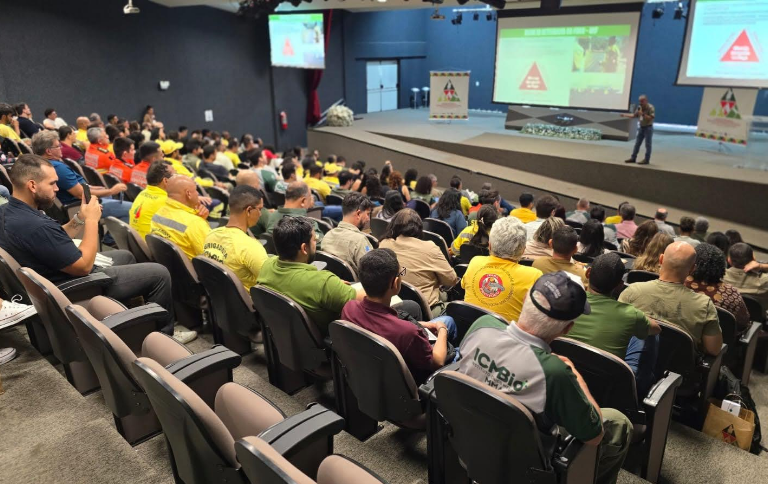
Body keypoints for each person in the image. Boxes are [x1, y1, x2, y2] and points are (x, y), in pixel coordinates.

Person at [458, 272, 632, 484]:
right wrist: (575, 375)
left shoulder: (482, 325)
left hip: (466, 443)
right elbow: (595, 436)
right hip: (524, 470)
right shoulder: (554, 372)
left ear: (525, 300)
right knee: (618, 422)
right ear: (567, 329)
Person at [0, 154, 190, 341]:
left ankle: (129, 325)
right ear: (32, 185)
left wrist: (80, 218)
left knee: (125, 256)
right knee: (159, 273)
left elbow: (54, 239)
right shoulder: (35, 225)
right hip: (72, 288)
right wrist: (91, 220)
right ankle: (163, 338)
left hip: (53, 275)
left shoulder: (10, 212)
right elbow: (83, 266)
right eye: (52, 184)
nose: (57, 188)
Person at [342, 249, 460, 384]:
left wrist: (422, 325)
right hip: (418, 378)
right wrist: (442, 330)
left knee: (447, 319)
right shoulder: (408, 333)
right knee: (459, 348)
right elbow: (438, 361)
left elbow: (383, 323)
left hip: (376, 372)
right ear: (395, 283)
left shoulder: (349, 308)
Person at [568, 253, 661, 396]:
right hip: (605, 387)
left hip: (568, 375)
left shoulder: (567, 299)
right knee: (648, 335)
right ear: (619, 286)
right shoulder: (631, 314)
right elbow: (656, 330)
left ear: (588, 273)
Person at [257, 216, 364, 335]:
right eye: (314, 239)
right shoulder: (323, 283)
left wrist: (335, 287)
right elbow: (367, 298)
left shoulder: (266, 266)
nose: (316, 242)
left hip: (289, 337)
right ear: (304, 248)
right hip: (327, 340)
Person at [619, 242, 722, 355]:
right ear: (693, 269)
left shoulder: (632, 291)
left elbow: (617, 329)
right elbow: (713, 349)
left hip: (632, 364)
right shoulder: (705, 305)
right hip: (680, 370)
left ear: (661, 259)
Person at [31, 131, 130, 244]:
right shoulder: (58, 168)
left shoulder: (39, 164)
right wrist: (111, 190)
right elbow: (80, 193)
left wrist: (97, 189)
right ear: (49, 151)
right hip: (81, 206)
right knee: (131, 209)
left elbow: (79, 187)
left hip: (80, 201)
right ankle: (109, 241)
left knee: (110, 196)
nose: (61, 148)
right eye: (58, 146)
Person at [379, 209, 459, 315]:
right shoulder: (430, 248)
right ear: (419, 227)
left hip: (392, 305)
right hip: (426, 310)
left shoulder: (384, 244)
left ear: (394, 226)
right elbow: (451, 280)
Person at [462, 217, 542, 322]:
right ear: (523, 251)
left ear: (489, 246)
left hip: (469, 332)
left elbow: (463, 286)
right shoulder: (534, 276)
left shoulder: (475, 262)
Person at [203, 186, 267, 290]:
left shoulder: (210, 235)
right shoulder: (251, 247)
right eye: (259, 209)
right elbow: (272, 283)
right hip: (249, 304)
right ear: (249, 210)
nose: (260, 214)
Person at [686, 244, 750, 332]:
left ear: (692, 263)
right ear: (723, 266)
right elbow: (744, 323)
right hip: (721, 343)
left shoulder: (678, 283)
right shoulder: (730, 293)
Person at [150, 175, 211, 259]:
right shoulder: (195, 223)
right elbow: (211, 258)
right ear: (188, 194)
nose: (197, 193)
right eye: (196, 190)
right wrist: (201, 222)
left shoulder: (158, 212)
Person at [319, 193, 374, 279]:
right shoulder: (360, 241)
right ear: (359, 214)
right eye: (367, 214)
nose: (368, 219)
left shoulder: (327, 235)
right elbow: (372, 274)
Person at [130, 161, 172, 238]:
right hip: (152, 246)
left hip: (138, 244)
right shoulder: (167, 201)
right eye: (175, 176)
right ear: (165, 181)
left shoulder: (142, 193)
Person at [725, 243, 768, 309]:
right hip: (756, 317)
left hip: (728, 314)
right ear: (753, 258)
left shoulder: (719, 276)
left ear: (729, 260)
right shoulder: (763, 281)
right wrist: (761, 266)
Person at [623, 94, 655, 165]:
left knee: (648, 145)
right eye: (640, 101)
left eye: (642, 101)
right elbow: (634, 115)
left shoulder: (651, 107)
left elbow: (651, 118)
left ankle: (646, 160)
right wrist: (625, 115)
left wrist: (643, 114)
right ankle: (633, 158)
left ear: (646, 101)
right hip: (641, 127)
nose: (640, 103)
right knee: (637, 144)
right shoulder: (639, 107)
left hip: (648, 128)